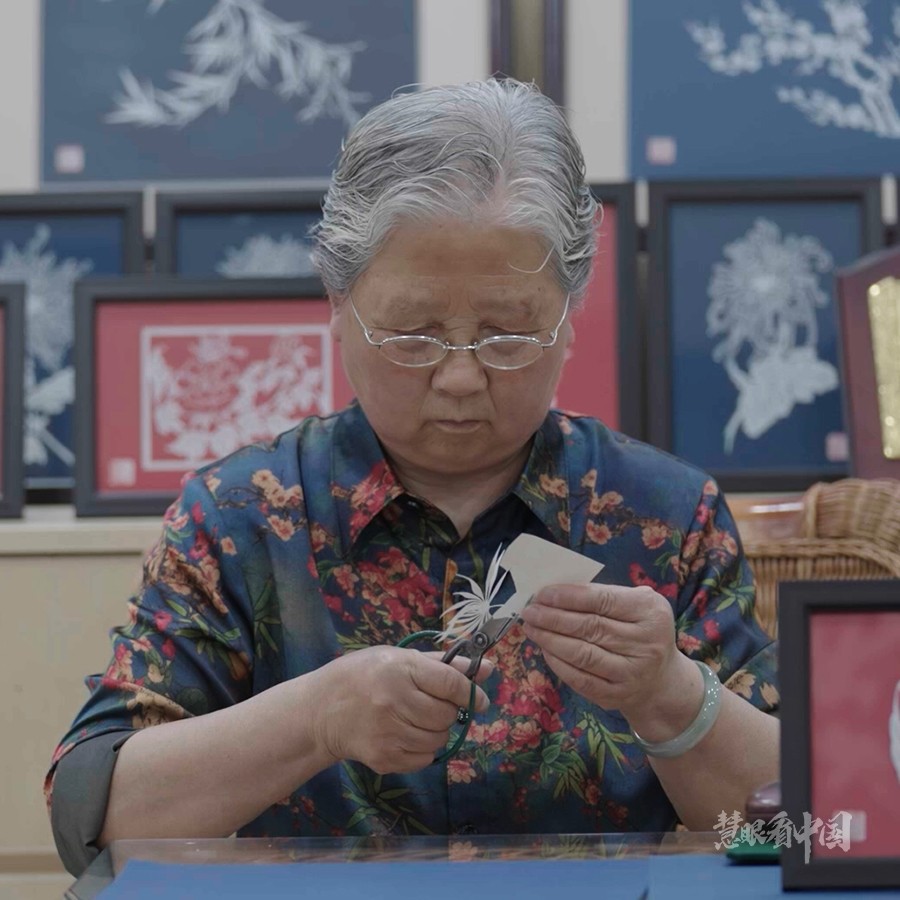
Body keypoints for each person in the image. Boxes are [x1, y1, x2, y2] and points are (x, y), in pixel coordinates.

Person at [46, 78, 778, 876]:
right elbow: (96, 819)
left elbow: (796, 831)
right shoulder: (240, 517)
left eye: (507, 336)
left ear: (569, 319)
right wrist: (316, 718)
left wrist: (670, 696)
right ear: (337, 304)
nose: (460, 379)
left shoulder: (665, 515)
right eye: (414, 335)